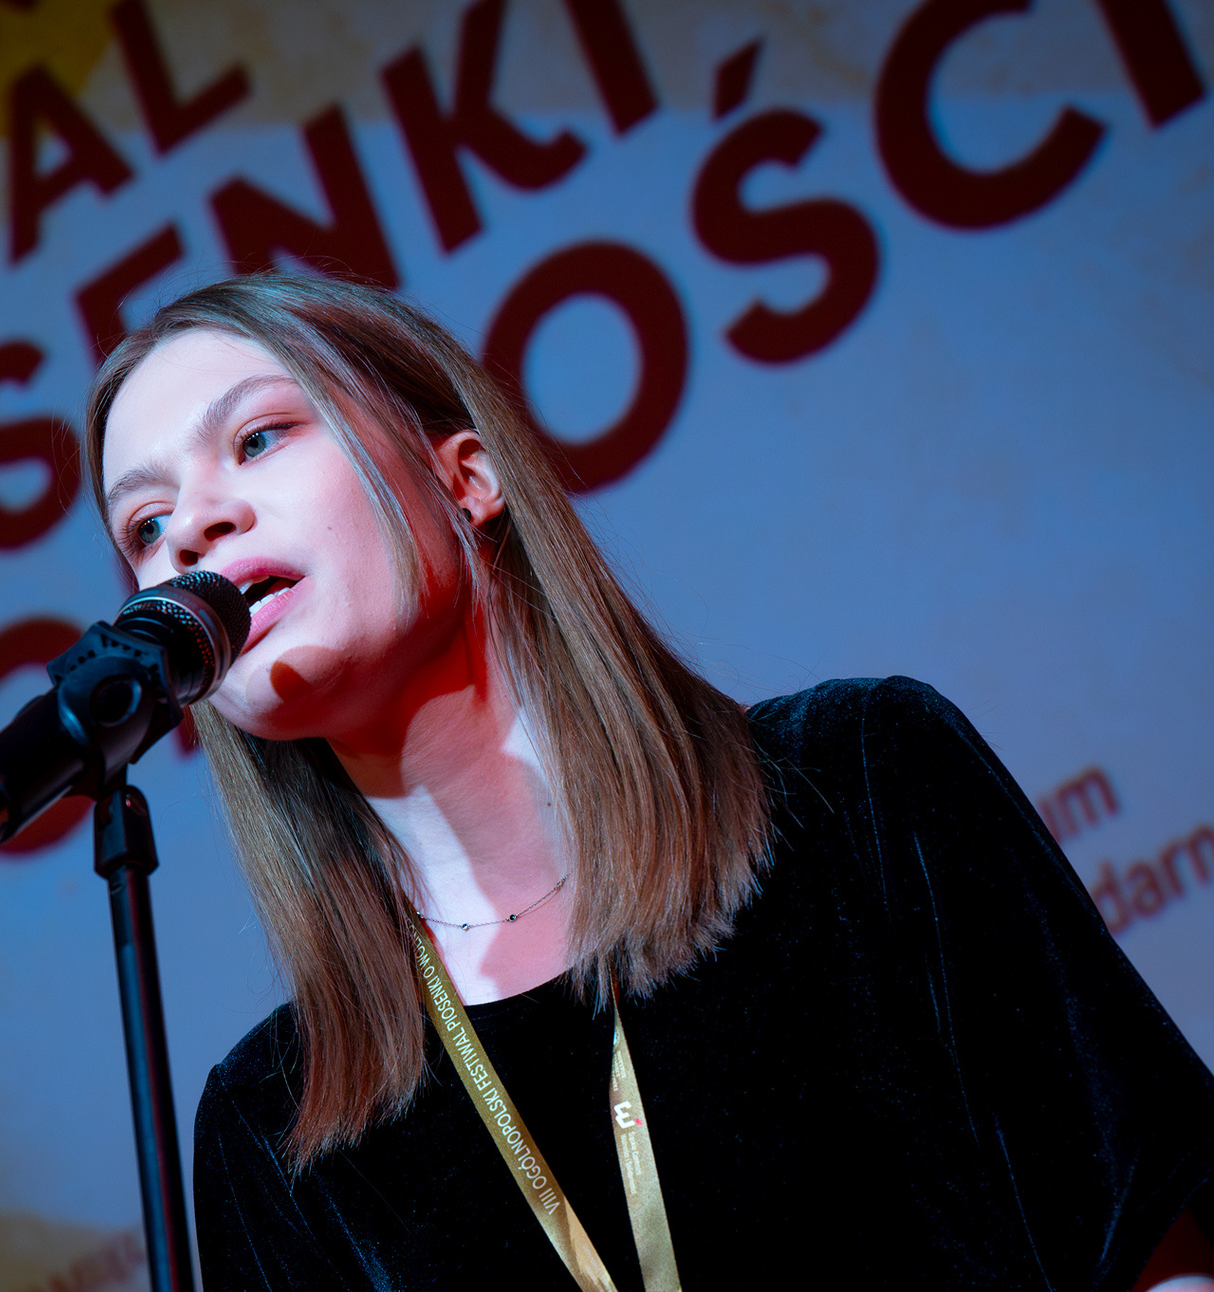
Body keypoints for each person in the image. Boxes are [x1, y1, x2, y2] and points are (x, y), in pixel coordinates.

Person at [82, 273, 1214, 1290]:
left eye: (259, 438)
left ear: (463, 475)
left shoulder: (862, 784)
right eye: (144, 524)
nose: (192, 530)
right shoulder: (274, 1129)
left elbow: (1150, 1248)